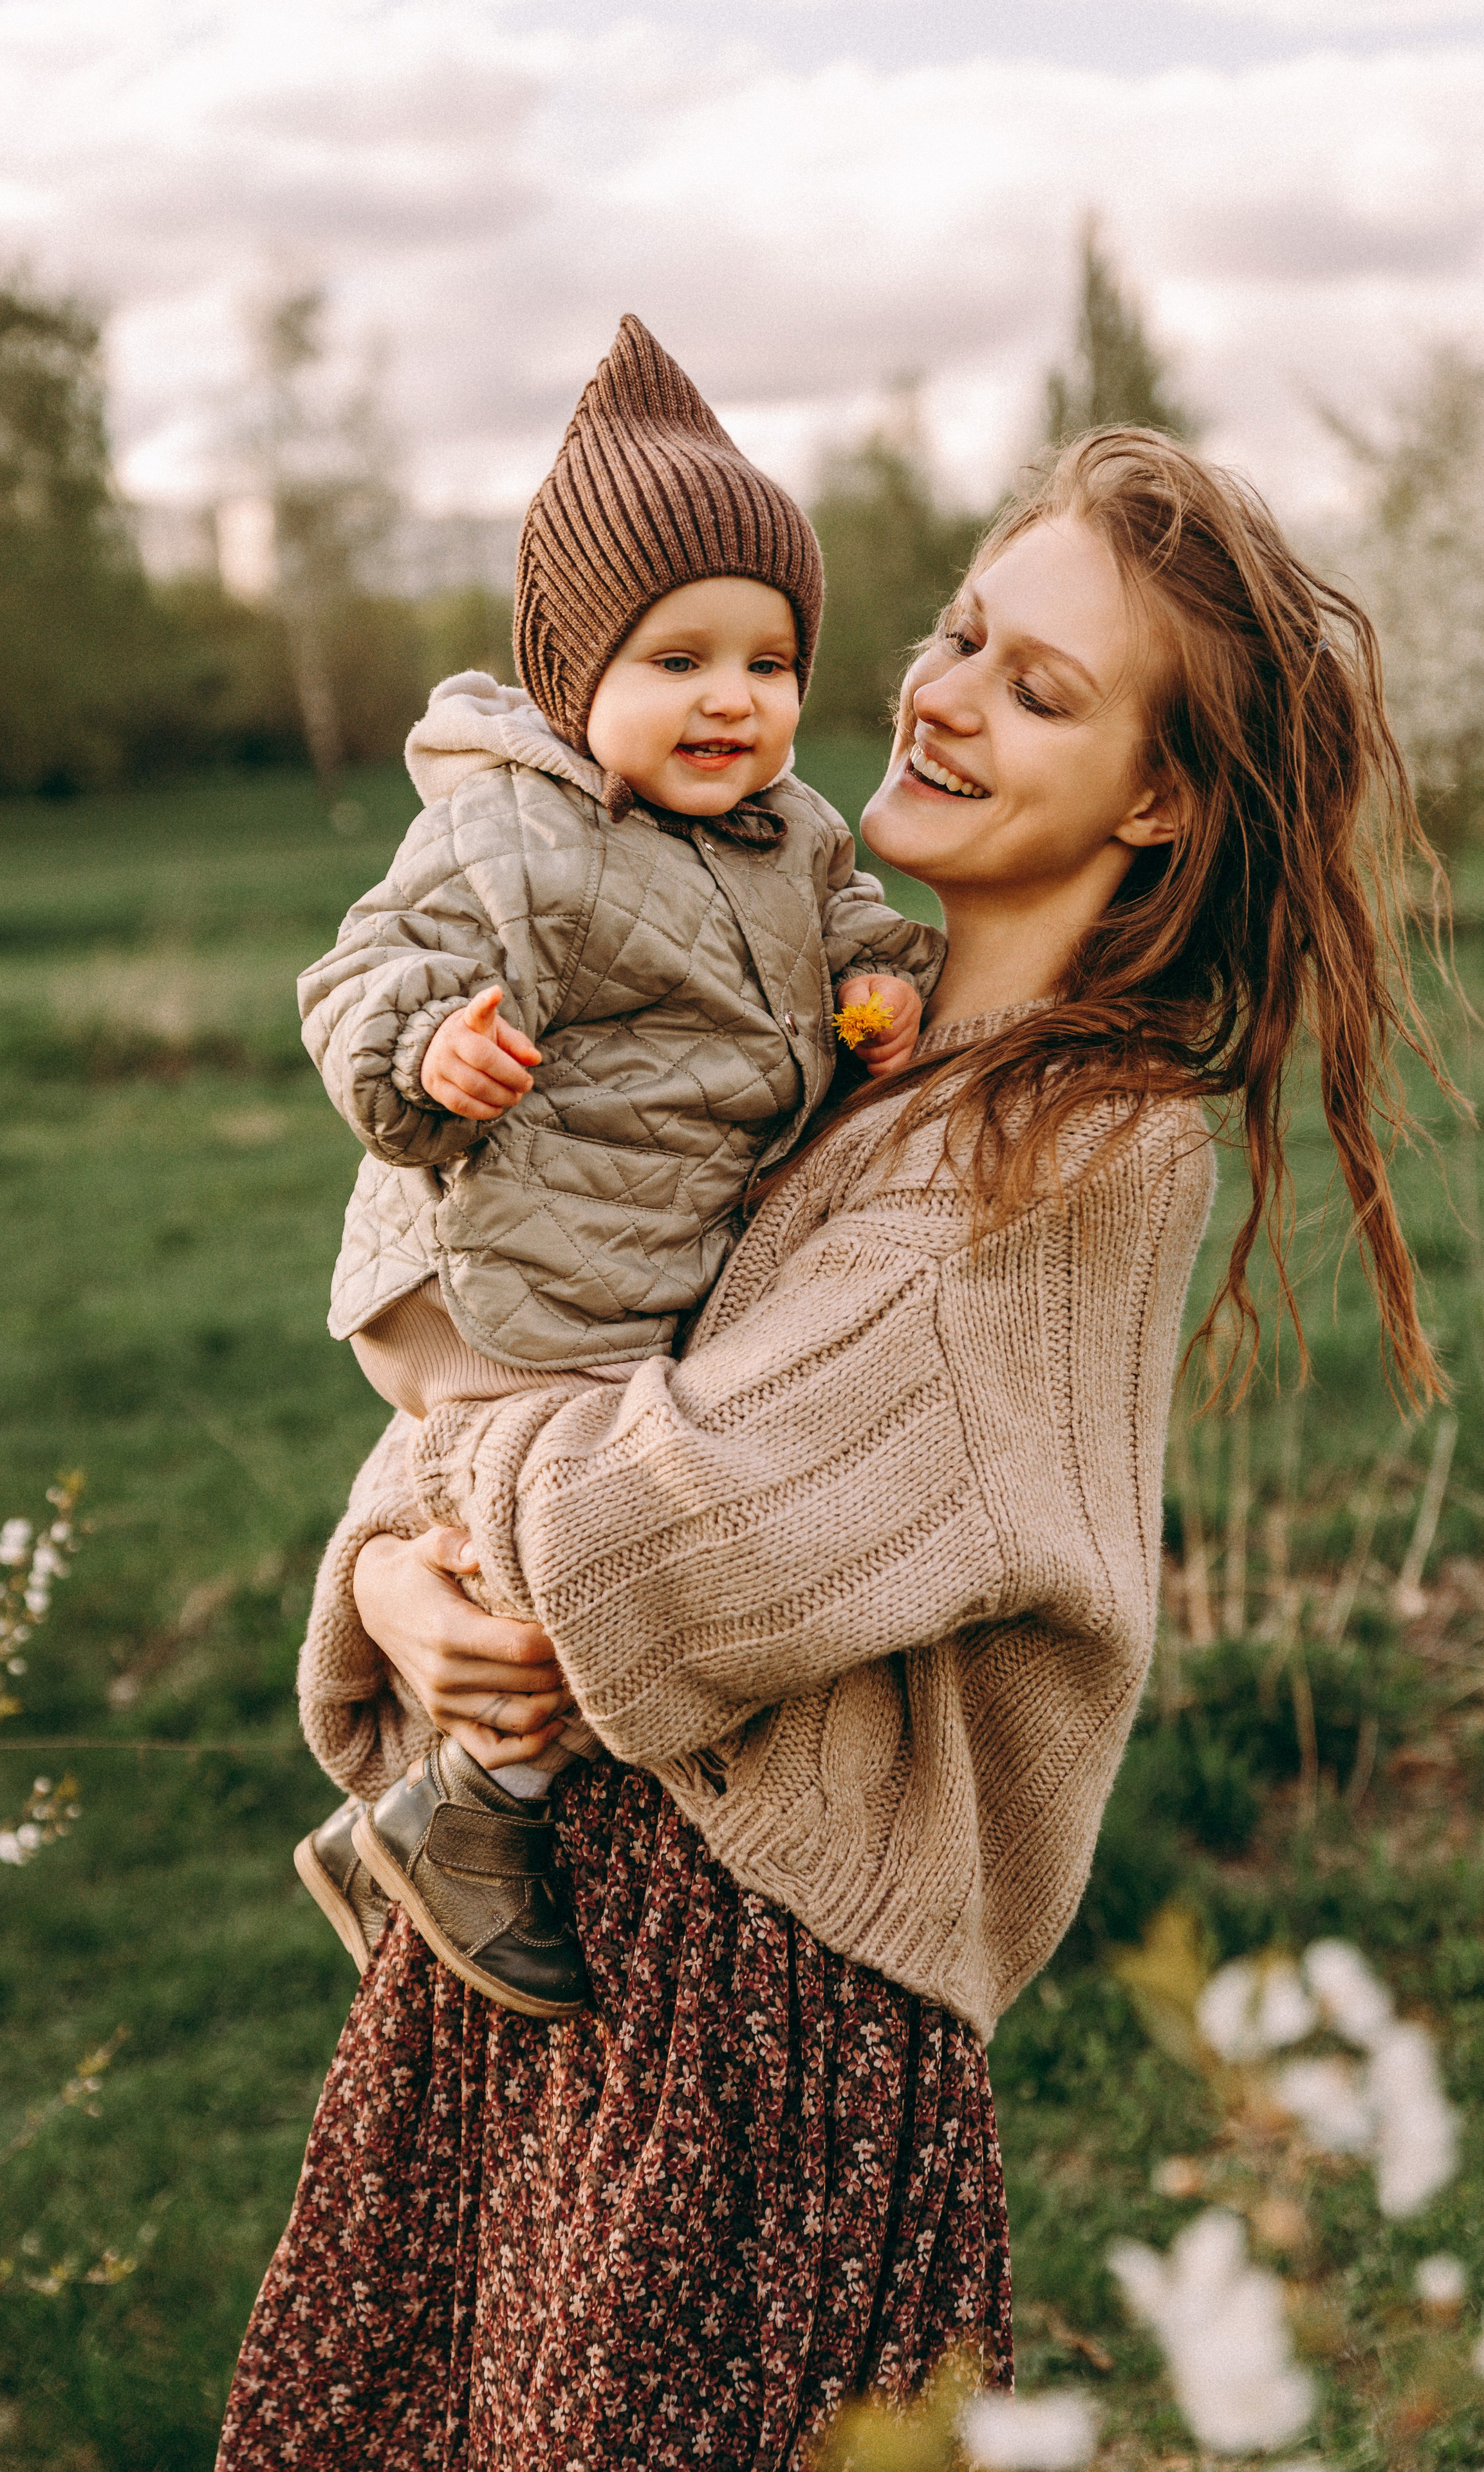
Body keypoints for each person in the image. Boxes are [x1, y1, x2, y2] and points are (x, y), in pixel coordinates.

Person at [218, 426, 1444, 2472]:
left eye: (1039, 687)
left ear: (1158, 796)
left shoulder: (1075, 1144)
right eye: (964, 629)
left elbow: (664, 1538)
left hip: (756, 2043)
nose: (945, 691)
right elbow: (540, 1357)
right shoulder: (835, 1064)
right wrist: (390, 1582)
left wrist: (431, 1499)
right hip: (558, 1941)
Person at [290, 315, 943, 2018]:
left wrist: (886, 989)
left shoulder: (791, 831)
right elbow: (365, 973)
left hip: (629, 1263)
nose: (736, 700)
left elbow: (856, 923)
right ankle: (462, 1810)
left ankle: (450, 1809)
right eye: (680, 661)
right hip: (504, 1258)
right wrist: (424, 1058)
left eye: (772, 661)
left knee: (600, 1516)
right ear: (581, 680)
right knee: (584, 1516)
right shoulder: (517, 827)